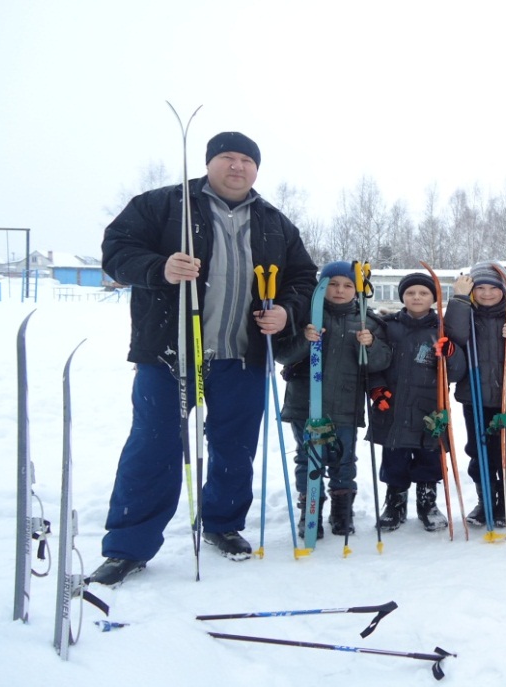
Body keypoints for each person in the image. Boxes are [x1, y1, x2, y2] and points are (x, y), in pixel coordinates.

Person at [91, 132, 318, 585]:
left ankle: (222, 523)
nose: (237, 167)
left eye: (246, 161)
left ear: (256, 169)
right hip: (171, 355)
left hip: (243, 356)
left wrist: (287, 313)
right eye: (227, 158)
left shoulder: (274, 221)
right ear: (210, 162)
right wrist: (160, 268)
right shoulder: (164, 204)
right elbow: (116, 253)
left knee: (235, 448)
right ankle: (128, 546)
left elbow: (303, 277)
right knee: (154, 446)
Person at [274, 261, 391, 539]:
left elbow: (382, 362)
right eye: (333, 284)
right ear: (321, 286)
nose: (340, 290)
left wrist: (371, 345)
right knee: (307, 457)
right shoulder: (305, 316)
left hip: (346, 406)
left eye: (348, 285)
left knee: (344, 459)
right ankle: (310, 508)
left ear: (357, 289)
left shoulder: (369, 322)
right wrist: (304, 339)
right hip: (305, 404)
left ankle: (342, 510)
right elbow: (282, 355)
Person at [366, 272, 465, 532]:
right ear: (402, 297)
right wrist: (376, 388)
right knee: (394, 456)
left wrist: (451, 354)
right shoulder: (388, 326)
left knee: (429, 456)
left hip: (429, 406)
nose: (416, 297)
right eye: (410, 293)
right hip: (394, 405)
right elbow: (375, 361)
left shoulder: (442, 328)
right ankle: (395, 503)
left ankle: (427, 502)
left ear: (434, 297)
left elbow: (456, 372)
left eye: (423, 293)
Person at [444, 261, 506, 528]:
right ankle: (485, 500)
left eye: (493, 288)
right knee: (478, 449)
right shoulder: (465, 315)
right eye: (480, 288)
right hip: (474, 395)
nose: (486, 293)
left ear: (505, 290)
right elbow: (456, 336)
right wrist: (460, 299)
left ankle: (505, 503)